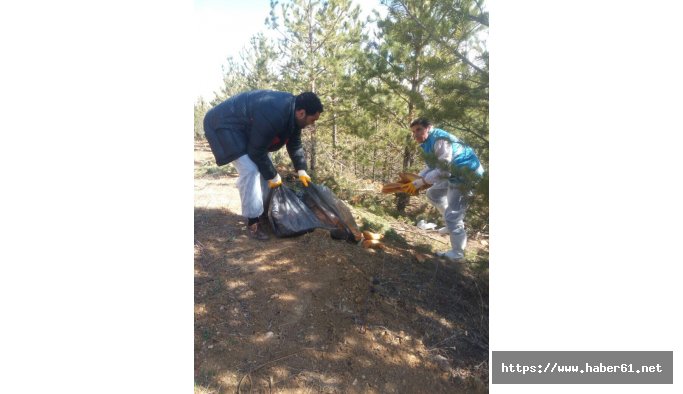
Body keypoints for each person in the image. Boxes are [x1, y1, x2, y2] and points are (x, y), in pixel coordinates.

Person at [203, 90, 323, 240]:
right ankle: (253, 222)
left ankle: (265, 211)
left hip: (243, 129)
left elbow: (294, 143)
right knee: (251, 170)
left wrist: (301, 169)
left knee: (265, 166)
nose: (312, 124)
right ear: (301, 113)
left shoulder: (293, 114)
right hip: (223, 125)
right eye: (312, 120)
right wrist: (272, 175)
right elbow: (256, 151)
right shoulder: (275, 112)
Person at [402, 118, 485, 262]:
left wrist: (419, 182)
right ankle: (450, 224)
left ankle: (457, 254)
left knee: (453, 215)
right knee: (433, 193)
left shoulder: (440, 140)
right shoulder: (428, 141)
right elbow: (433, 166)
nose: (415, 134)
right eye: (413, 131)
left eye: (419, 130)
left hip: (466, 176)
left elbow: (443, 170)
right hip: (454, 173)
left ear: (429, 128)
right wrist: (417, 179)